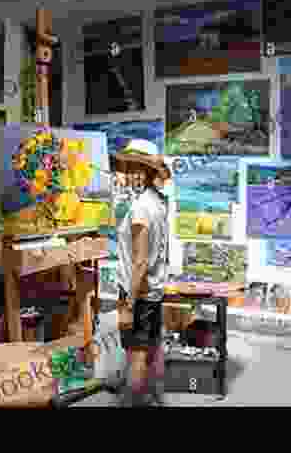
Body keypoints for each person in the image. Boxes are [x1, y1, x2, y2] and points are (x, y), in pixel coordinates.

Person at [111, 139, 172, 407]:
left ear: (144, 171)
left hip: (139, 293)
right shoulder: (158, 202)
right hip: (153, 291)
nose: (129, 173)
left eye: (134, 167)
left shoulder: (140, 209)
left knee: (136, 357)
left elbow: (139, 262)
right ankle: (156, 400)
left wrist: (127, 305)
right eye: (129, 167)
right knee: (153, 348)